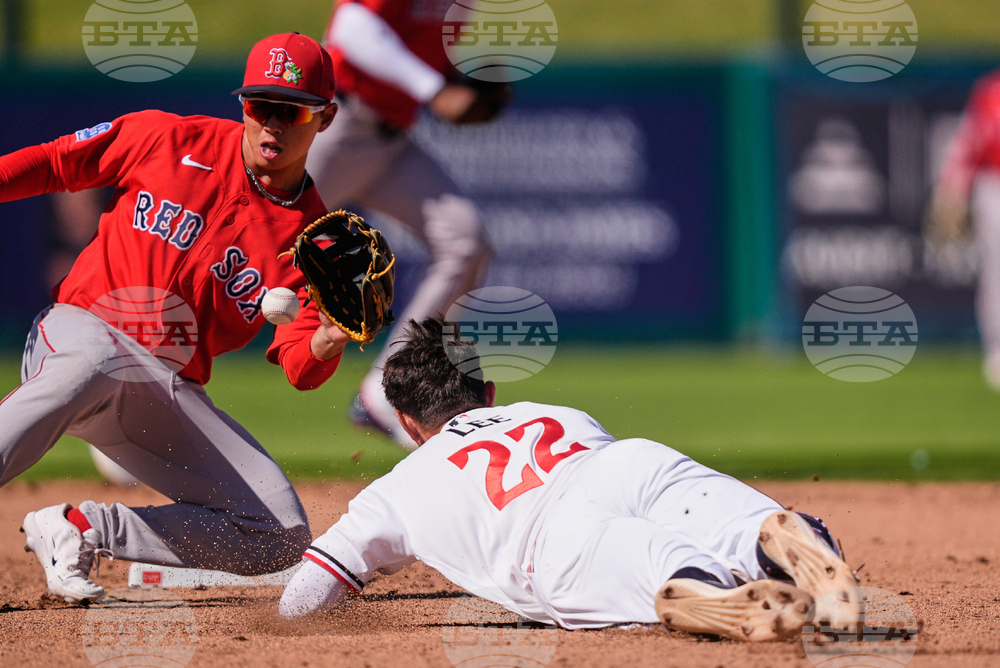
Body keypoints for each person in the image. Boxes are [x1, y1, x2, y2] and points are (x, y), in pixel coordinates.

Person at [0, 33, 352, 603]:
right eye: (261, 106)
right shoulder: (168, 138)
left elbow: (297, 365)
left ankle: (79, 527)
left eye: (291, 111)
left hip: (160, 389)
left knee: (279, 536)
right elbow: (56, 163)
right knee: (94, 356)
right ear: (243, 105)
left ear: (325, 118)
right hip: (76, 332)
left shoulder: (313, 244)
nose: (272, 125)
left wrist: (327, 340)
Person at [278, 318, 862, 642]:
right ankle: (790, 542)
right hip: (627, 462)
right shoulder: (550, 411)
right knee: (734, 524)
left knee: (665, 567)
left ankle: (705, 590)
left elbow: (306, 595)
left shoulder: (397, 489)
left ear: (405, 422)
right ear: (488, 394)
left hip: (553, 542)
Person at [307, 0, 494, 448]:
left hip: (390, 141)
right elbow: (352, 29)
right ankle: (143, 379)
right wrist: (435, 88)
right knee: (238, 242)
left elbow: (414, 50)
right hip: (333, 126)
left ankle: (382, 393)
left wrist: (462, 85)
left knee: (466, 242)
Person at [929, 69, 1000, 389]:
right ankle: (998, 350)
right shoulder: (991, 90)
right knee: (997, 270)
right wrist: (950, 194)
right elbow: (968, 144)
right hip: (995, 184)